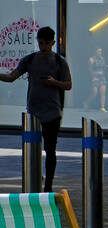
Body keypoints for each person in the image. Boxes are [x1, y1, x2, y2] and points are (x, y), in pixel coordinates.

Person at [0, 27, 72, 192]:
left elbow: (68, 85)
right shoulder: (30, 60)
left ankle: (48, 185)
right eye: (40, 43)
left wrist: (53, 82)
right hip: (33, 113)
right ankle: (34, 178)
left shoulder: (60, 62)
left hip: (52, 113)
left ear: (53, 43)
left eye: (47, 44)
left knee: (50, 149)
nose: (43, 47)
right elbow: (12, 77)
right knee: (32, 149)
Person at [86, 47, 108, 113]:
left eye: (101, 51)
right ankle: (86, 103)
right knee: (94, 93)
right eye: (98, 51)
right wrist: (93, 77)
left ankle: (102, 107)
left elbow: (103, 68)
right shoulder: (91, 59)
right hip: (95, 77)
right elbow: (90, 70)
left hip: (102, 77)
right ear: (95, 52)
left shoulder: (102, 59)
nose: (100, 52)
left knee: (103, 93)